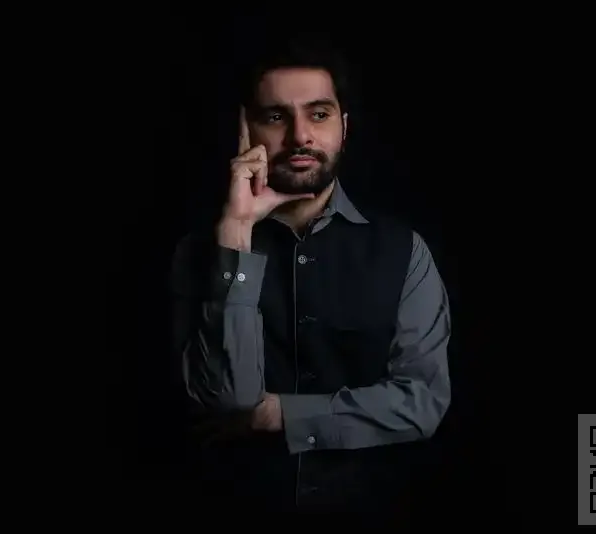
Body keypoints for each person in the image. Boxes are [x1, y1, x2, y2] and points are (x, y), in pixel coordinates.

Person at [169, 39, 452, 516]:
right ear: (246, 127)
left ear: (344, 128)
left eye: (319, 115)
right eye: (276, 116)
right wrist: (236, 231)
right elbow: (228, 398)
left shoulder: (406, 251)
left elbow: (422, 402)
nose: (300, 136)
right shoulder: (199, 253)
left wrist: (277, 414)